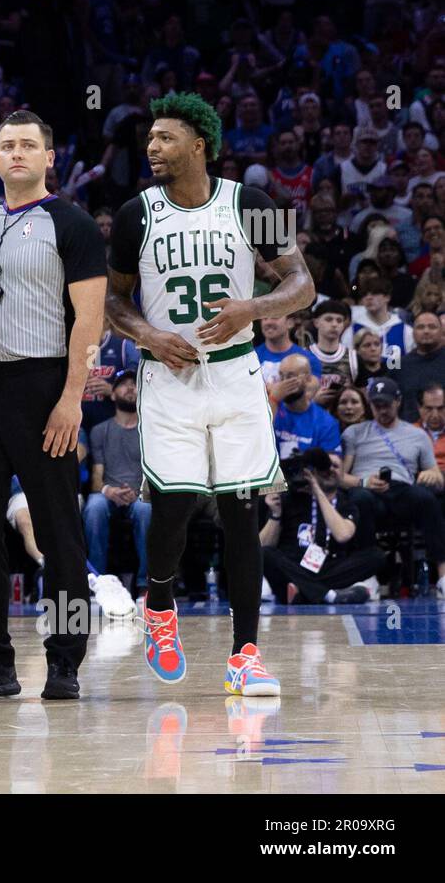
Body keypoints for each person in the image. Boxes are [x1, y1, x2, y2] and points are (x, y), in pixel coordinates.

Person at [107, 91, 315, 697]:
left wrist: (254, 305)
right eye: (149, 139)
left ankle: (245, 655)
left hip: (236, 372)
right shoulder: (133, 214)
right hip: (168, 376)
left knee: (241, 510)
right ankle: (161, 606)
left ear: (199, 144)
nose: (152, 147)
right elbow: (116, 299)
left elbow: (302, 284)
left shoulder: (251, 203)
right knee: (173, 504)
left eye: (165, 138)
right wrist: (147, 331)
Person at [0, 109, 106, 703]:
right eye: (6, 145)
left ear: (48, 158)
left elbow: (89, 321)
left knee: (60, 532)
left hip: (45, 387)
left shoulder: (73, 223)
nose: (15, 153)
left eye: (27, 145)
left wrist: (70, 398)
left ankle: (65, 661)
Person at [339, 378, 445, 597]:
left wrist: (431, 474)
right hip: (368, 488)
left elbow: (436, 475)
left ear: (398, 402)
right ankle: (368, 577)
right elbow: (340, 477)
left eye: (386, 405)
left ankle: (443, 574)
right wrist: (363, 482)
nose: (382, 410)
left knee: (427, 499)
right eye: (377, 405)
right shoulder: (354, 433)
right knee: (360, 500)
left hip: (401, 489)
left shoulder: (417, 436)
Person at [261, 448, 382, 604]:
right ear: (314, 471)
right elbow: (262, 546)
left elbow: (343, 535)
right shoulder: (291, 499)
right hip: (294, 565)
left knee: (376, 556)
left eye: (336, 466)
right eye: (325, 466)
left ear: (343, 475)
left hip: (330, 566)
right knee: (265, 553)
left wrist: (317, 492)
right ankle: (330, 595)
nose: (330, 470)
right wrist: (275, 514)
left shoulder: (347, 504)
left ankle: (304, 592)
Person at [82, 370, 150, 597]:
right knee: (94, 507)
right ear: (112, 394)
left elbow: (155, 473)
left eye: (134, 384)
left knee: (145, 509)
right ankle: (97, 583)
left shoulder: (150, 431)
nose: (130, 388)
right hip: (107, 492)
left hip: (141, 493)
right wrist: (108, 490)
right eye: (123, 384)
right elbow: (96, 476)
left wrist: (139, 492)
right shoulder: (100, 431)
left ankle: (145, 585)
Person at [273, 352, 342, 461]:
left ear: (308, 378)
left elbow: (331, 467)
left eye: (290, 376)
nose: (284, 382)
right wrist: (273, 400)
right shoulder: (271, 408)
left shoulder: (326, 423)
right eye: (281, 376)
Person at [397, 311, 445, 423]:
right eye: (420, 327)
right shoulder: (398, 365)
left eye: (432, 327)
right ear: (412, 332)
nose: (426, 331)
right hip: (409, 433)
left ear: (442, 332)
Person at [305, 299, 352, 409]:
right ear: (316, 322)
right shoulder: (302, 356)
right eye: (329, 319)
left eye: (339, 320)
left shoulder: (353, 357)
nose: (334, 324)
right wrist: (312, 400)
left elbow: (362, 396)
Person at [416, 383, 445, 472]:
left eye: (440, 408)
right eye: (429, 409)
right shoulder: (408, 433)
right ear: (419, 408)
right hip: (419, 481)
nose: (435, 415)